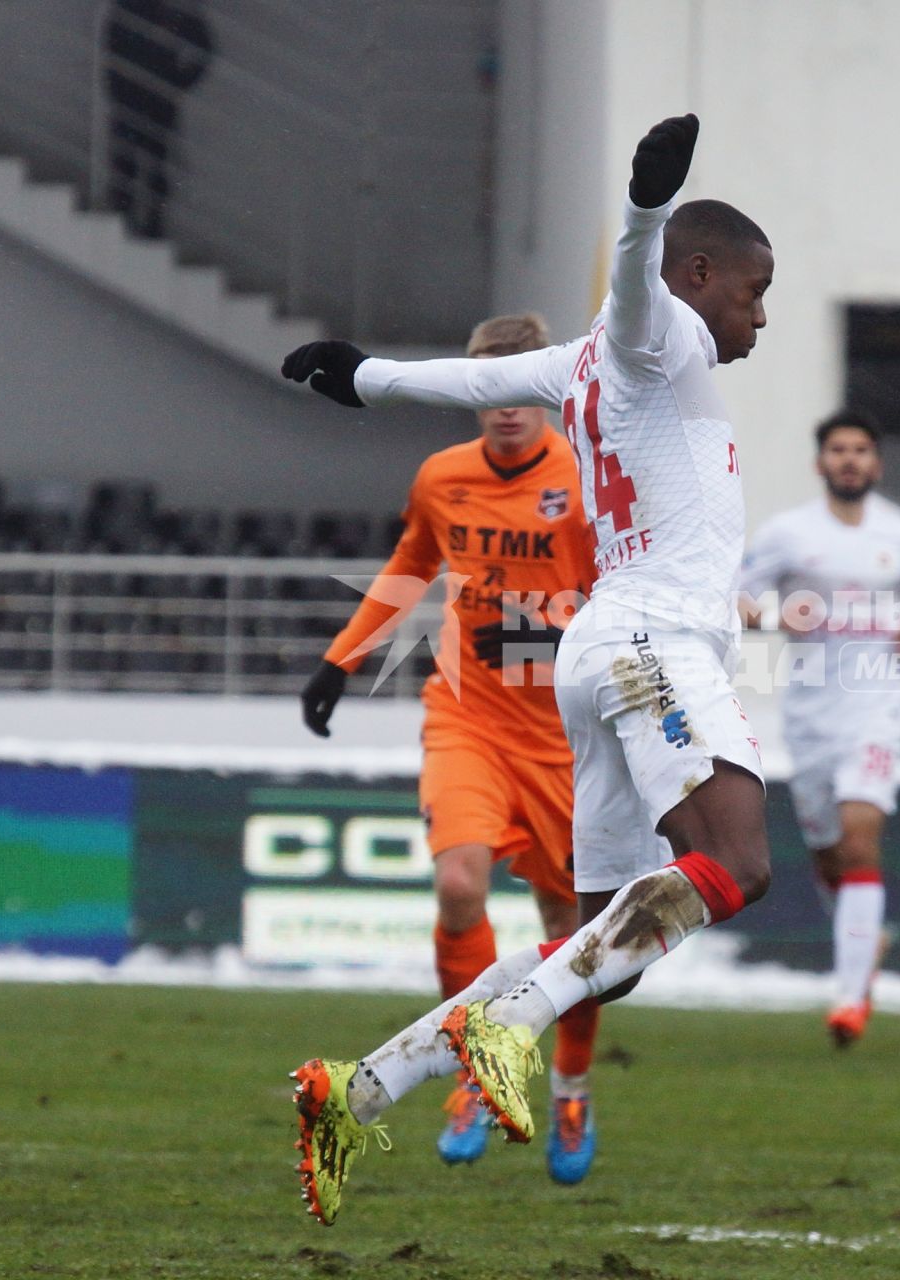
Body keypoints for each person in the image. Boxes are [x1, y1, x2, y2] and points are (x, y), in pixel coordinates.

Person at [279, 113, 775, 1226]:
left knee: (602, 950)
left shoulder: (586, 364)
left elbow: (460, 384)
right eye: (754, 291)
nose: (759, 316)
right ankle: (507, 1033)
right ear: (700, 276)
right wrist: (645, 208)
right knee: (737, 861)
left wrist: (360, 378)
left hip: (594, 656)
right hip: (651, 648)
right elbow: (641, 293)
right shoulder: (662, 335)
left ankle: (357, 1090)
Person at [298, 313, 604, 1184]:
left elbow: (620, 589)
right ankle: (474, 1068)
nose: (505, 406)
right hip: (469, 718)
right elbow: (407, 567)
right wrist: (337, 662)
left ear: (541, 390)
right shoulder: (443, 477)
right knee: (458, 883)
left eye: (520, 386)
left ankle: (573, 1087)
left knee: (574, 933)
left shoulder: (585, 478)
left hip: (566, 736)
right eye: (489, 387)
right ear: (473, 391)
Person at [739, 411, 900, 1047]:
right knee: (827, 851)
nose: (849, 460)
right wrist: (774, 615)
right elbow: (738, 598)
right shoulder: (788, 534)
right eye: (838, 450)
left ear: (876, 463)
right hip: (810, 708)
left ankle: (851, 999)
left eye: (860, 450)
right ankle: (863, 939)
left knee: (859, 838)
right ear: (820, 462)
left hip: (877, 703)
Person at [102, 0, 212, 239]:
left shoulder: (174, 8)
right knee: (132, 160)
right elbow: (111, 46)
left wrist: (178, 81)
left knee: (151, 163)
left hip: (151, 98)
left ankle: (146, 223)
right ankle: (128, 219)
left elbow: (205, 47)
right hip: (138, 97)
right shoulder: (142, 6)